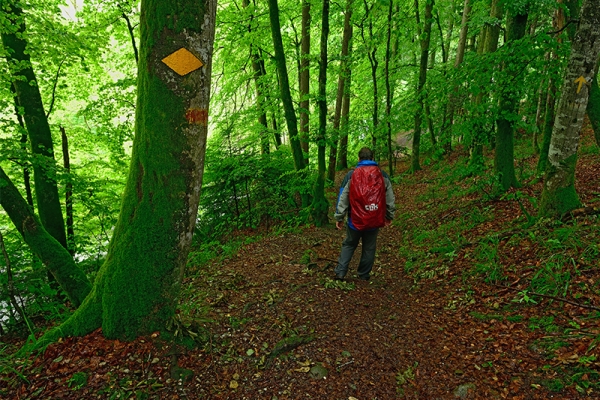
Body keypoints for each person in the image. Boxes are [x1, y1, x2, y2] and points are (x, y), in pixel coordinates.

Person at [333, 147, 395, 281]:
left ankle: (341, 272)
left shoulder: (351, 175)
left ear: (359, 159)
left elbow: (343, 197)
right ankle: (363, 275)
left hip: (354, 220)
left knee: (349, 244)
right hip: (374, 218)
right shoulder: (382, 175)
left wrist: (339, 216)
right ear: (372, 158)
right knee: (369, 247)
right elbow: (390, 198)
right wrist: (389, 216)